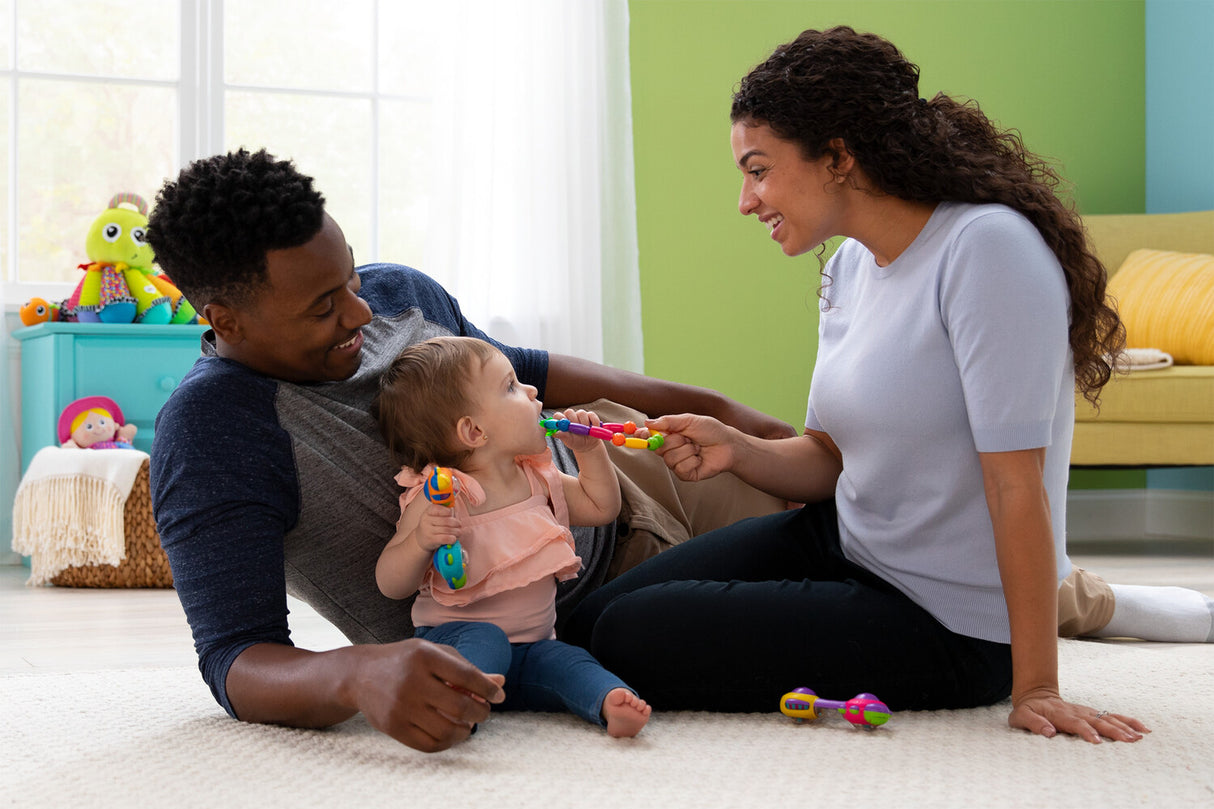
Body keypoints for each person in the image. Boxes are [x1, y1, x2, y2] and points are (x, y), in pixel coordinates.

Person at [562, 26, 1164, 744]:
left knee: (630, 634)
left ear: (840, 156)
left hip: (947, 621)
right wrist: (736, 446)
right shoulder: (849, 266)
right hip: (846, 541)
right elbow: (830, 455)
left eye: (758, 170)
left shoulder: (986, 250)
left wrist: (1036, 682)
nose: (746, 201)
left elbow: (1017, 486)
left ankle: (1092, 613)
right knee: (586, 617)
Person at [145, 148, 786, 753]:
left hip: (631, 467)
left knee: (851, 513)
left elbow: (536, 371)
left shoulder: (402, 294)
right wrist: (358, 674)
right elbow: (236, 655)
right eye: (322, 308)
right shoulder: (215, 432)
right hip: (577, 612)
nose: (361, 313)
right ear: (225, 319)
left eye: (350, 277)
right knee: (833, 594)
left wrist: (723, 412)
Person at [372, 336, 651, 737]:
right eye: (511, 386)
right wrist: (419, 541)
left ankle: (609, 703)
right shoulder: (444, 494)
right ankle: (451, 702)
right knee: (486, 640)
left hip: (534, 649)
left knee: (571, 663)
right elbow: (390, 583)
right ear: (473, 431)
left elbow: (600, 507)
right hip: (455, 642)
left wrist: (590, 453)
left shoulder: (536, 477)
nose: (532, 390)